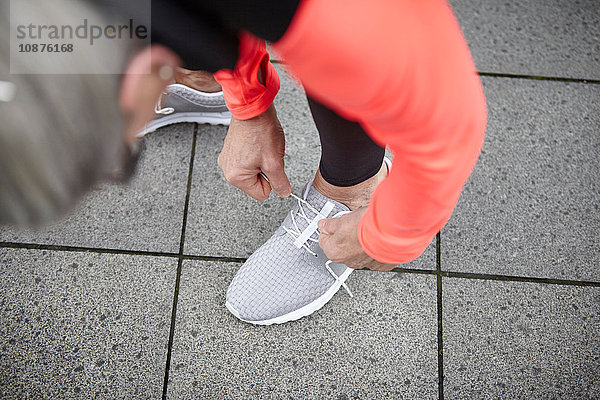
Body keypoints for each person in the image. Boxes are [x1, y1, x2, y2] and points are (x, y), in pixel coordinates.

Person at [127, 0, 487, 325]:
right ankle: (201, 83)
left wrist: (388, 236)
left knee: (339, 61)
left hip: (347, 28)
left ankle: (355, 187)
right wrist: (248, 106)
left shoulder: (346, 19)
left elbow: (452, 125)